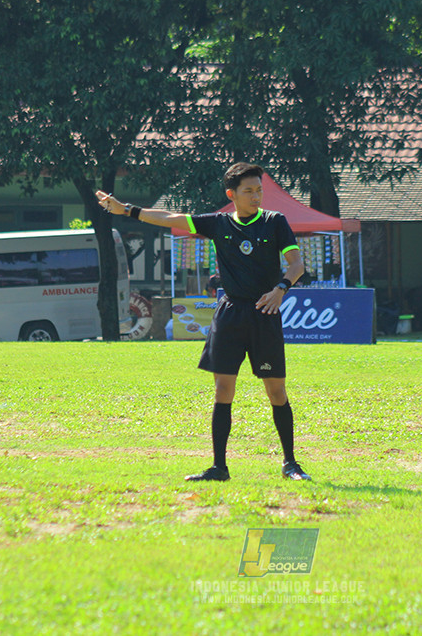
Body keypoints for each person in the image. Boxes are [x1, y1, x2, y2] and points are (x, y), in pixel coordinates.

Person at [95, 162, 310, 481]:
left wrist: (281, 288)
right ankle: (219, 467)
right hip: (230, 314)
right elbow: (170, 218)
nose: (256, 196)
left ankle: (291, 464)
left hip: (264, 314)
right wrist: (127, 210)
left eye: (259, 190)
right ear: (231, 195)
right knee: (223, 389)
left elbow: (297, 264)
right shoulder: (219, 223)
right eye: (248, 191)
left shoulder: (274, 222)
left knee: (276, 392)